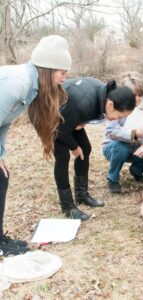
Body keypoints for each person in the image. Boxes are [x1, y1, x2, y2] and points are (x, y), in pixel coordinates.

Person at [0, 35, 72, 256]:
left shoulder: (32, 86)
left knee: (2, 177)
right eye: (62, 73)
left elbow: (3, 123)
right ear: (48, 69)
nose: (64, 78)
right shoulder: (18, 83)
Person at [55, 78, 136, 220]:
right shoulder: (85, 104)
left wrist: (80, 121)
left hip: (68, 115)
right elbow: (60, 131)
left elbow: (81, 110)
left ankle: (82, 195)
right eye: (119, 115)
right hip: (52, 119)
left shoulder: (104, 94)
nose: (118, 119)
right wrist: (74, 147)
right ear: (110, 105)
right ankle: (67, 207)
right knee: (63, 157)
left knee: (85, 149)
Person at [103, 71, 143, 193]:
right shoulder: (116, 103)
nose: (137, 98)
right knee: (121, 146)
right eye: (133, 95)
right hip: (114, 147)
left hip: (138, 148)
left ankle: (136, 171)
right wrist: (135, 133)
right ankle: (113, 178)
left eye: (140, 94)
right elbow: (111, 132)